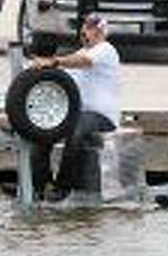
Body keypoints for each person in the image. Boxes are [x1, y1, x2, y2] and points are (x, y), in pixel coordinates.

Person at [29, 14, 121, 199]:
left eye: (94, 29)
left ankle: (63, 188)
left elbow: (83, 62)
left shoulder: (106, 49)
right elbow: (66, 65)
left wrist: (54, 61)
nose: (88, 32)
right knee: (41, 134)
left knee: (76, 130)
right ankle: (39, 186)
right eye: (86, 28)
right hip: (78, 114)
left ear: (102, 32)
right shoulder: (81, 52)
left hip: (102, 116)